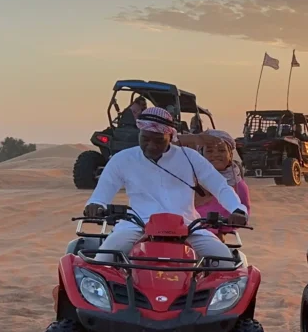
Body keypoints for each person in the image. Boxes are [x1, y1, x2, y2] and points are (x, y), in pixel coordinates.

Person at [84, 107, 247, 263]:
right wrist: (95, 205)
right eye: (145, 139)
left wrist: (237, 209)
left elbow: (220, 187)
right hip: (138, 224)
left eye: (158, 140)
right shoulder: (122, 159)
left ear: (171, 136)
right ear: (139, 133)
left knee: (225, 261)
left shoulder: (190, 157)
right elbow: (101, 194)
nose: (151, 145)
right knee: (103, 260)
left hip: (187, 225)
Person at [181, 130, 251, 230]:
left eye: (222, 150)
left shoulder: (238, 184)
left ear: (230, 154)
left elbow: (243, 214)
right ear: (200, 155)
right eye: (209, 151)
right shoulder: (189, 178)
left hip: (212, 234)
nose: (216, 154)